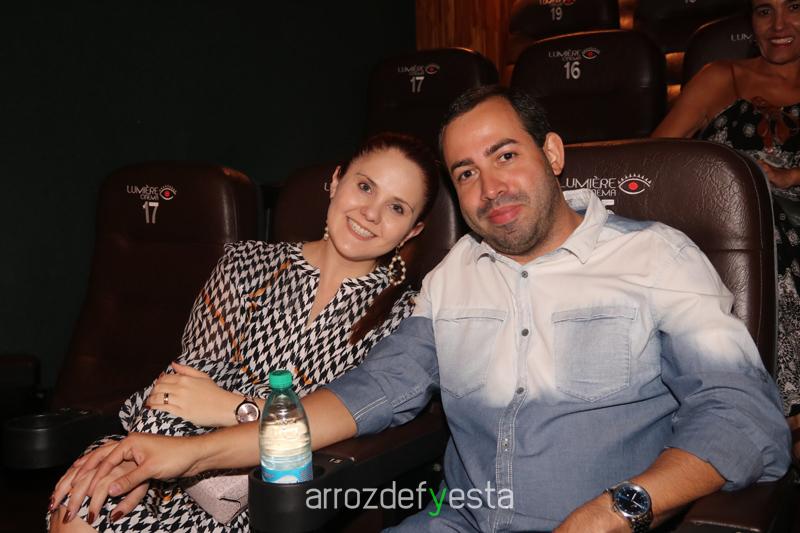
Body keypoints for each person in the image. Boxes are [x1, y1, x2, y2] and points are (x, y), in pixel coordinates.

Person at [55, 86, 791, 533]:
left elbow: (744, 416)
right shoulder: (452, 279)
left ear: (552, 153)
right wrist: (189, 452)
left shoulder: (655, 257)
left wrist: (618, 509)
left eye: (506, 155)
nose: (489, 186)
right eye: (466, 172)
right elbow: (363, 396)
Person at [47, 131, 441, 532]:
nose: (370, 213)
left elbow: (341, 428)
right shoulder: (244, 263)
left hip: (271, 491)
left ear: (412, 230)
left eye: (396, 207)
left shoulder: (405, 318)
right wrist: (140, 464)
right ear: (336, 182)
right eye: (365, 187)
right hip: (171, 445)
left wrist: (235, 407)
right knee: (78, 510)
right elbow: (182, 391)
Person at [652, 0, 800, 427]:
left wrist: (790, 176)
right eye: (764, 11)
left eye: (794, 7)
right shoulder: (722, 77)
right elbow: (653, 160)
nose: (778, 25)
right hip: (731, 222)